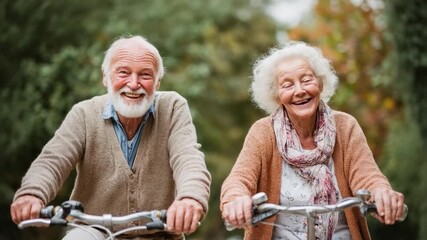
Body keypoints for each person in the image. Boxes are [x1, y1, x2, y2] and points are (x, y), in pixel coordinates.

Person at [10, 35, 211, 240]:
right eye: (123, 72)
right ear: (105, 77)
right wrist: (32, 193)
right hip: (93, 231)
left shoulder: (173, 108)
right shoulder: (84, 114)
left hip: (160, 234)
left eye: (145, 75)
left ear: (158, 82)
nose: (134, 84)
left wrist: (190, 199)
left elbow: (188, 158)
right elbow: (53, 160)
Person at [220, 41, 405, 240]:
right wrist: (236, 200)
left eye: (307, 80)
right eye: (287, 85)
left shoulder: (345, 126)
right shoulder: (263, 132)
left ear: (320, 83)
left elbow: (368, 176)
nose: (299, 91)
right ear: (276, 96)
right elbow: (239, 179)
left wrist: (381, 193)